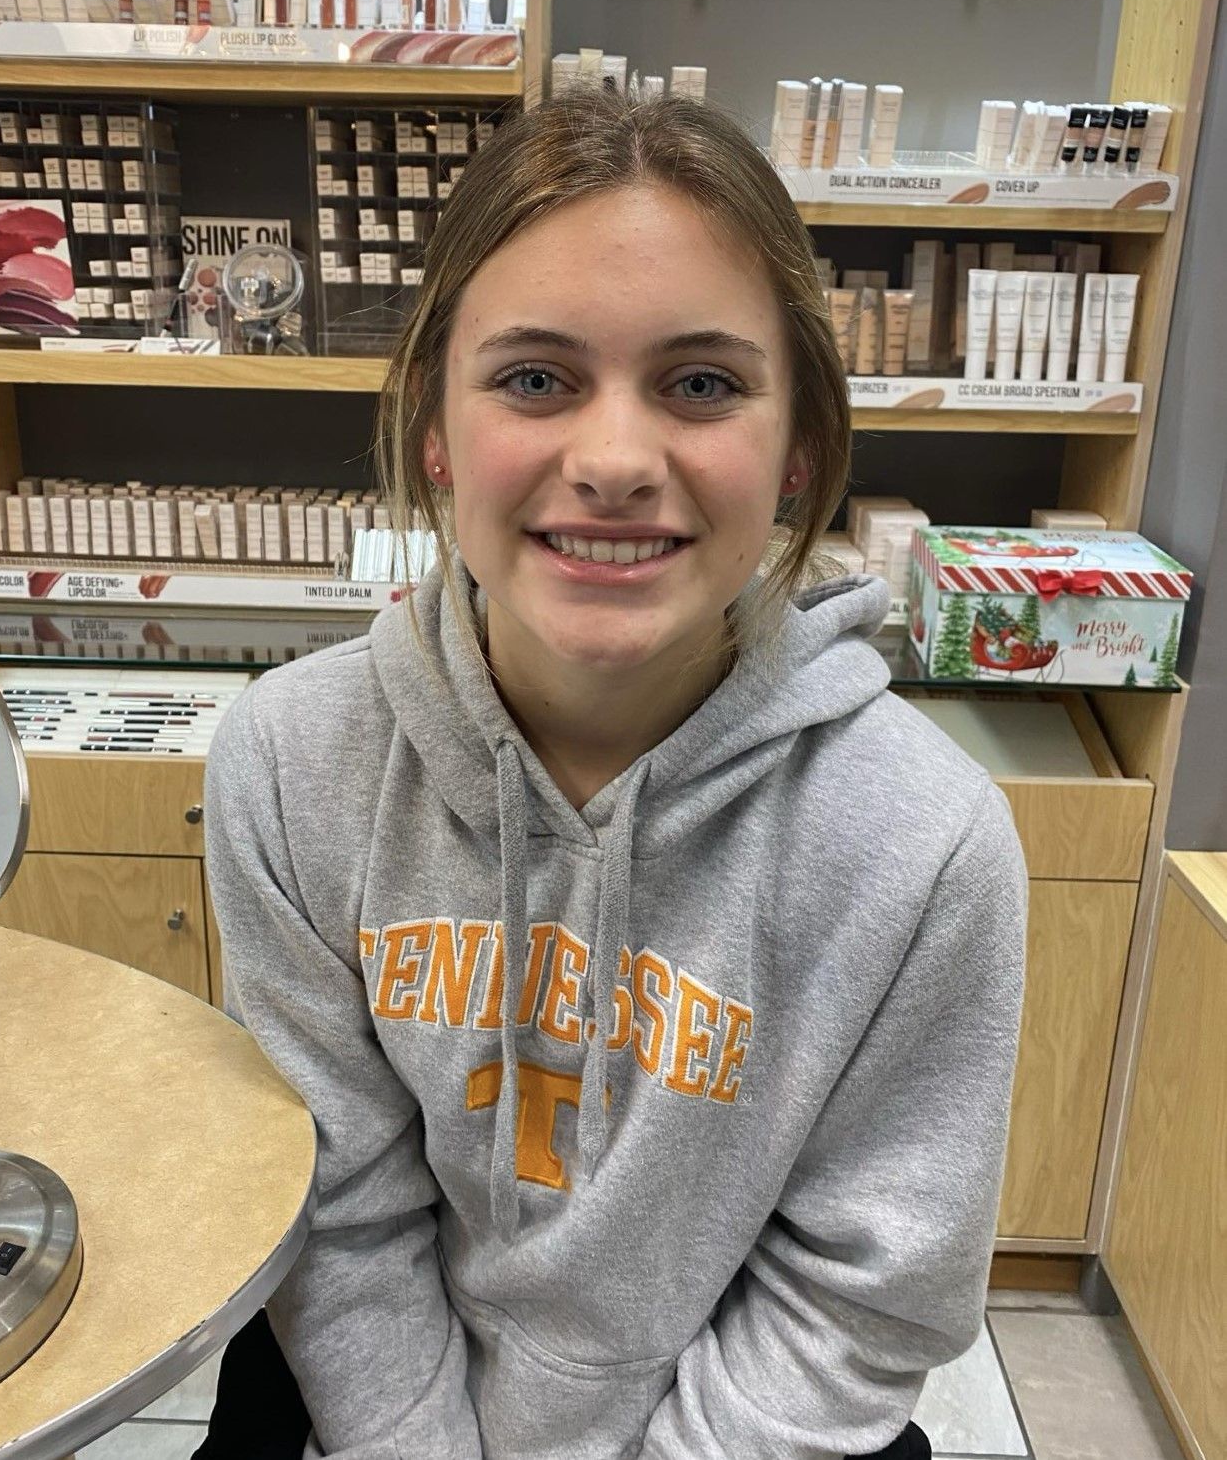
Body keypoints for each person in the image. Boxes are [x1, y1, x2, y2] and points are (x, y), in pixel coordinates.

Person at [197, 89, 1028, 1460]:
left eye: (701, 385)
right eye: (536, 378)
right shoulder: (293, 764)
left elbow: (862, 1300)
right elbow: (340, 1218)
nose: (617, 462)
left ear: (799, 450)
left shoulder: (926, 847)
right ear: (435, 435)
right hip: (383, 1403)